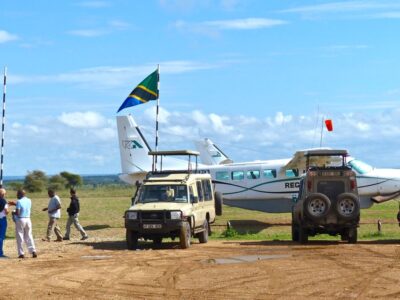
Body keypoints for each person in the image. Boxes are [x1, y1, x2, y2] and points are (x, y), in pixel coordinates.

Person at [14, 189, 37, 258]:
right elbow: (24, 206)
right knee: (29, 236)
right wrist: (15, 204)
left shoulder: (19, 201)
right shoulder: (29, 200)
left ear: (21, 194)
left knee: (20, 236)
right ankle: (33, 251)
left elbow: (18, 212)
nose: (17, 195)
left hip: (21, 219)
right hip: (28, 219)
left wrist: (13, 212)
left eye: (18, 194)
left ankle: (21, 253)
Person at [0, 188, 9, 258]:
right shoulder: (4, 201)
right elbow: (6, 211)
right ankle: (0, 253)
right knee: (1, 237)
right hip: (2, 220)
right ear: (3, 194)